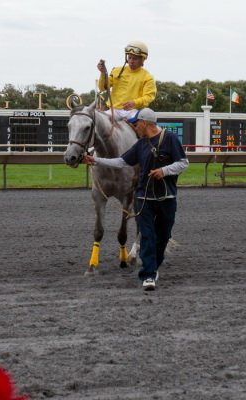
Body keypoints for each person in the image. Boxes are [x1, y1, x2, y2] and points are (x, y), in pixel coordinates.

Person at [83, 108, 188, 291]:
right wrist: (96, 161)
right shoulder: (140, 144)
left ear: (145, 122)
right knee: (147, 236)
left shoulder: (169, 138)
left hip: (167, 197)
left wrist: (164, 171)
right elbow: (121, 162)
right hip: (144, 197)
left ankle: (153, 267)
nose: (134, 126)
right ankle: (148, 275)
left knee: (163, 237)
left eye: (136, 123)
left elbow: (183, 163)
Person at [97, 40, 156, 121]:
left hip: (133, 111)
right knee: (96, 121)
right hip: (114, 111)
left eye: (135, 59)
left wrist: (135, 102)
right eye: (129, 58)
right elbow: (102, 88)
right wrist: (103, 73)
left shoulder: (148, 77)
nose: (131, 61)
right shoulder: (116, 71)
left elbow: (149, 97)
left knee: (143, 124)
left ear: (143, 59)